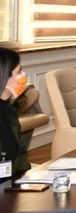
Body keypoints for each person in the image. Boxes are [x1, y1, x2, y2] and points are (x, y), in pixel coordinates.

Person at [0, 48, 31, 181]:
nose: (23, 76)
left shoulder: (9, 111)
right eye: (19, 72)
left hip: (10, 183)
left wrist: (28, 181)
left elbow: (20, 154)